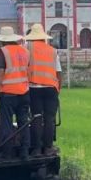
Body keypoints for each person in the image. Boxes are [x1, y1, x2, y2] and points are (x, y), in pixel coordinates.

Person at [0, 26, 31, 160]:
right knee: (23, 122)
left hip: (8, 94)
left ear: (3, 41)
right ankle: (24, 152)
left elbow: (0, 72)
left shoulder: (3, 52)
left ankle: (7, 153)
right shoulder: (25, 51)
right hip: (24, 92)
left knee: (7, 123)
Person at [25, 23, 61, 156]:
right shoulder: (53, 51)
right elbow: (58, 73)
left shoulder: (27, 48)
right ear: (43, 37)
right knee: (50, 118)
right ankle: (48, 148)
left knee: (36, 117)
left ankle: (36, 149)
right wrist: (58, 89)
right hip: (51, 89)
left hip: (34, 88)